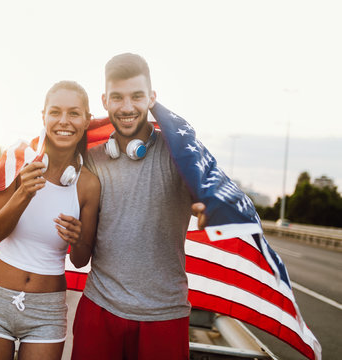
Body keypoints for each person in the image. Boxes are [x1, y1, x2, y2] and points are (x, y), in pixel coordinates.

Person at [71, 53, 206, 360]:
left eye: (137, 96)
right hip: (100, 309)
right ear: (105, 100)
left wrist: (208, 207)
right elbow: (80, 258)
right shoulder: (92, 161)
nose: (127, 107)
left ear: (152, 98)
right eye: (117, 97)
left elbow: (210, 193)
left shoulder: (182, 154)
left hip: (165, 315)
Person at [0, 80, 100, 360]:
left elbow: (80, 260)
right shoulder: (16, 159)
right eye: (55, 112)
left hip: (47, 311)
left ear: (87, 120)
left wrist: (77, 239)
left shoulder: (89, 185)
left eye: (74, 113)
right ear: (43, 117)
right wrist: (24, 192)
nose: (64, 121)